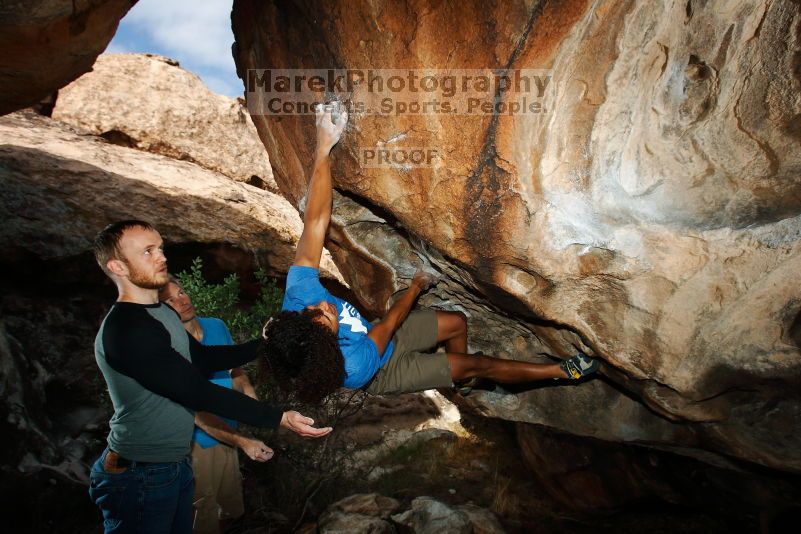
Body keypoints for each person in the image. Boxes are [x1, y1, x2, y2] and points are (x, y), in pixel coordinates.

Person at [260, 103, 601, 405]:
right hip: (386, 371)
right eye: (324, 317)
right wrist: (417, 286)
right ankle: (560, 371)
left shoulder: (300, 295)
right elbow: (392, 322)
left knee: (457, 324)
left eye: (311, 309)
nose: (323, 305)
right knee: (478, 364)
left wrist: (323, 149)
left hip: (377, 335)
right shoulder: (355, 366)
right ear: (325, 346)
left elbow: (316, 222)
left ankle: (463, 381)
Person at [89, 220, 331, 534]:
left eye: (160, 248)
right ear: (117, 266)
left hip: (173, 463)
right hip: (139, 472)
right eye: (147, 252)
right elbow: (196, 391)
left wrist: (266, 344)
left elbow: (204, 360)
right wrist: (279, 418)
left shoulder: (161, 313)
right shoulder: (127, 329)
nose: (161, 257)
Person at [160, 277, 269, 534]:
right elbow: (197, 413)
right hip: (198, 446)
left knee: (229, 508)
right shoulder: (171, 348)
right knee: (202, 517)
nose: (182, 300)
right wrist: (242, 440)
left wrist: (249, 394)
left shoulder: (216, 326)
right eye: (170, 300)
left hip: (230, 435)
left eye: (182, 292)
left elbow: (233, 367)